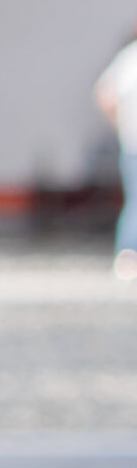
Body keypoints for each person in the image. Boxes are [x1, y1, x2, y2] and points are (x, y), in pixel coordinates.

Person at [95, 30, 137, 281]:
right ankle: (129, 252)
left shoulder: (127, 59)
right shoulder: (129, 58)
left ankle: (128, 255)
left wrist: (119, 124)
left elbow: (104, 95)